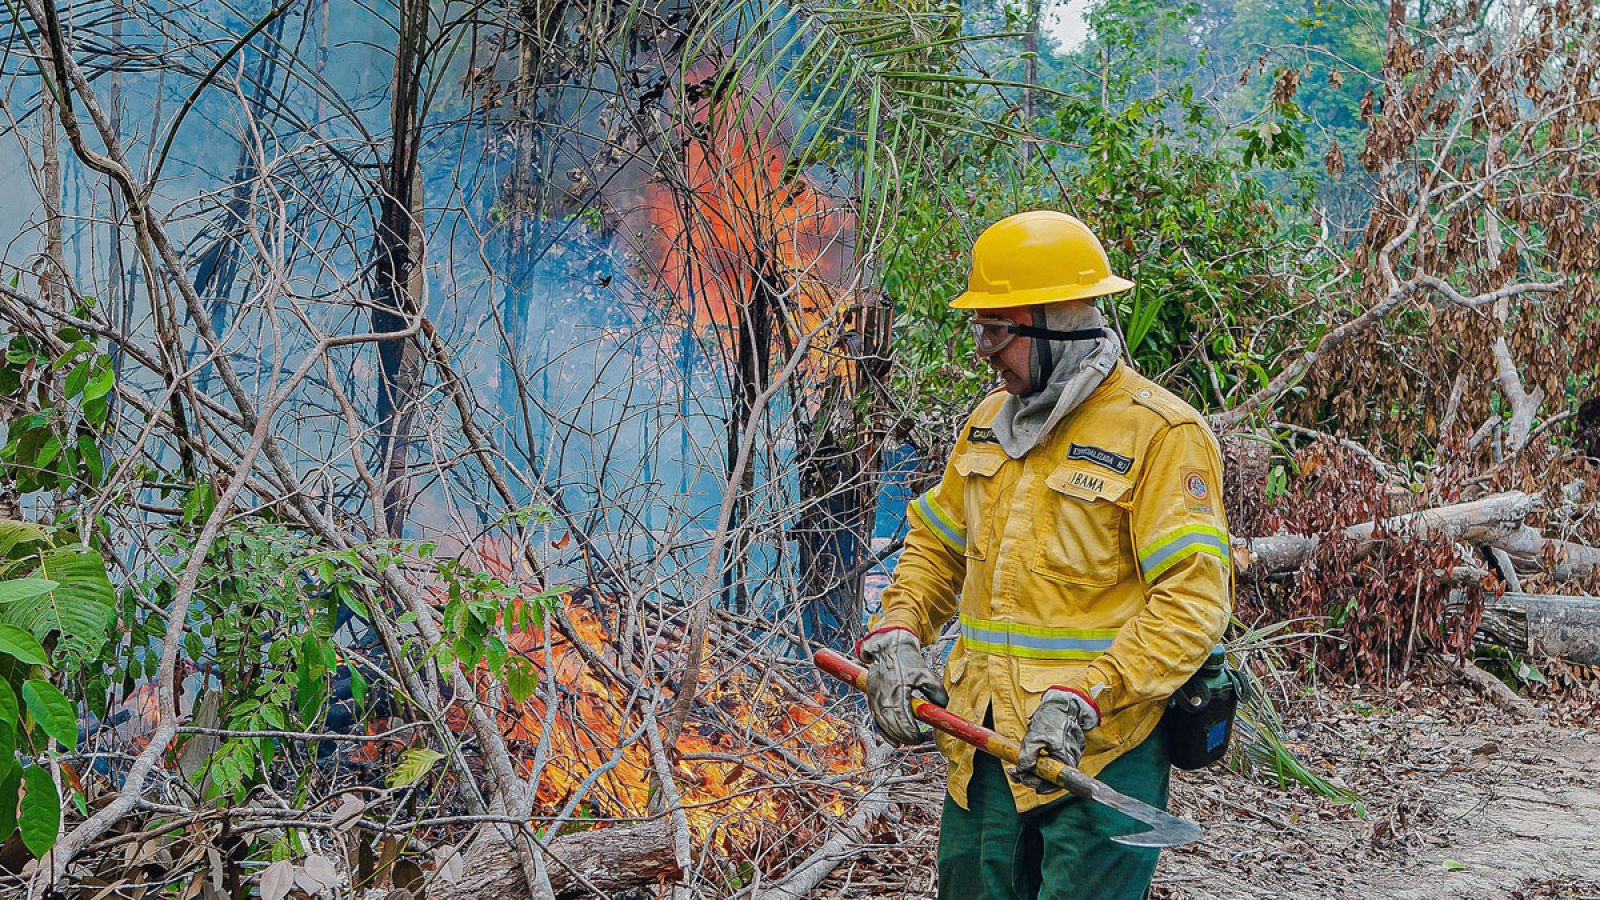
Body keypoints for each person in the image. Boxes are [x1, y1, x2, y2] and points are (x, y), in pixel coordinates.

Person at [858, 210, 1232, 899]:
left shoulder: (1161, 433)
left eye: (997, 330)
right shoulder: (985, 427)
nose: (983, 351)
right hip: (983, 749)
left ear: (1060, 327)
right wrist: (897, 635)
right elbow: (937, 549)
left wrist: (1085, 695)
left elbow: (1194, 600)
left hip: (1097, 754)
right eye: (980, 329)